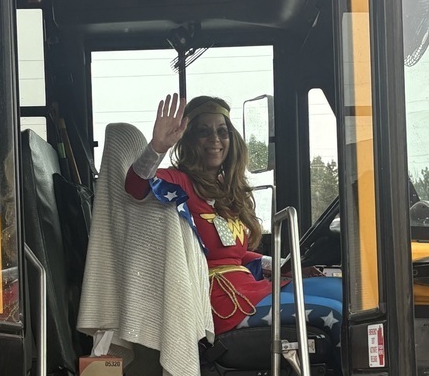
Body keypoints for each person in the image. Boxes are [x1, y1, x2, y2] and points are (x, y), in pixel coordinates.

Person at [125, 93, 343, 355]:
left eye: (222, 131)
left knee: (340, 289)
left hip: (250, 288)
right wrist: (157, 147)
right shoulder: (179, 181)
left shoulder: (227, 190)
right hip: (224, 302)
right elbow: (135, 187)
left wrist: (285, 267)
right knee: (336, 311)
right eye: (204, 132)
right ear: (190, 139)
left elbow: (237, 255)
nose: (215, 139)